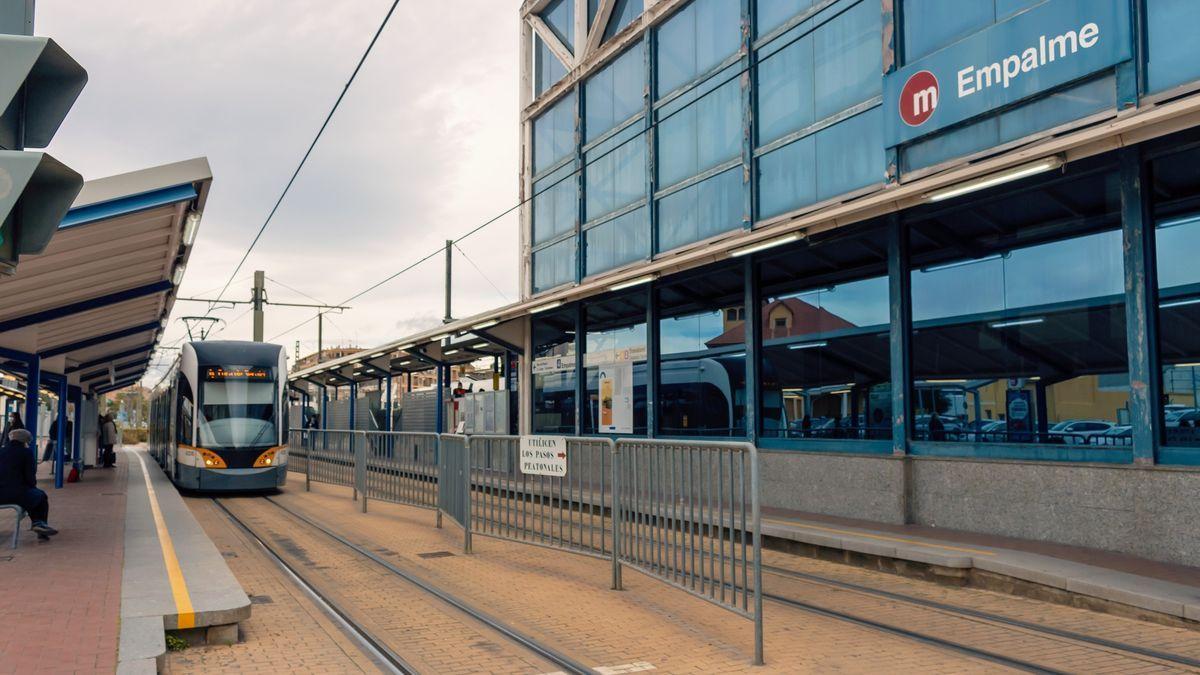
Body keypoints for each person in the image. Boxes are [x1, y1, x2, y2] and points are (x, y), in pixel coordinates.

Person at [0, 429, 57, 539]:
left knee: (31, 496)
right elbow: (30, 477)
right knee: (39, 496)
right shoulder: (26, 452)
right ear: (25, 441)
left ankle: (38, 524)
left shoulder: (1, 451)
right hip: (15, 493)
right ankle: (39, 525)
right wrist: (32, 487)